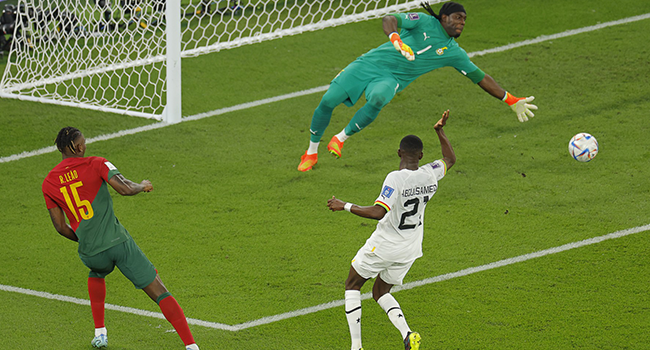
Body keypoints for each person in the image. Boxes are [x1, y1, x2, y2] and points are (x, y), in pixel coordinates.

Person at [298, 1, 536, 171]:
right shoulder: (422, 22)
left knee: (379, 98)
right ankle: (311, 152)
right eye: (457, 17)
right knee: (328, 100)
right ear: (443, 17)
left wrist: (510, 99)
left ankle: (340, 138)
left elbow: (480, 77)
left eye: (464, 19)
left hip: (391, 79)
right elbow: (390, 19)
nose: (462, 22)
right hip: (368, 65)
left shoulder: (454, 53)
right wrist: (396, 39)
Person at [41, 127, 199, 350]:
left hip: (91, 252)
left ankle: (100, 333)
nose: (85, 146)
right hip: (118, 244)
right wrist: (143, 186)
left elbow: (59, 227)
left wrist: (86, 239)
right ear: (77, 147)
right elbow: (124, 188)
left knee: (97, 271)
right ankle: (192, 346)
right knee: (159, 290)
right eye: (83, 142)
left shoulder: (49, 182)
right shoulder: (97, 163)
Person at [327, 109, 456, 350]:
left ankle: (356, 347)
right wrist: (440, 131)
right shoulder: (430, 174)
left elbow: (378, 212)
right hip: (410, 248)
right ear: (421, 155)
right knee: (380, 291)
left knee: (352, 285)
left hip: (386, 244)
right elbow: (450, 159)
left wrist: (343, 205)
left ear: (399, 153)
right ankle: (408, 335)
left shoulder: (395, 178)